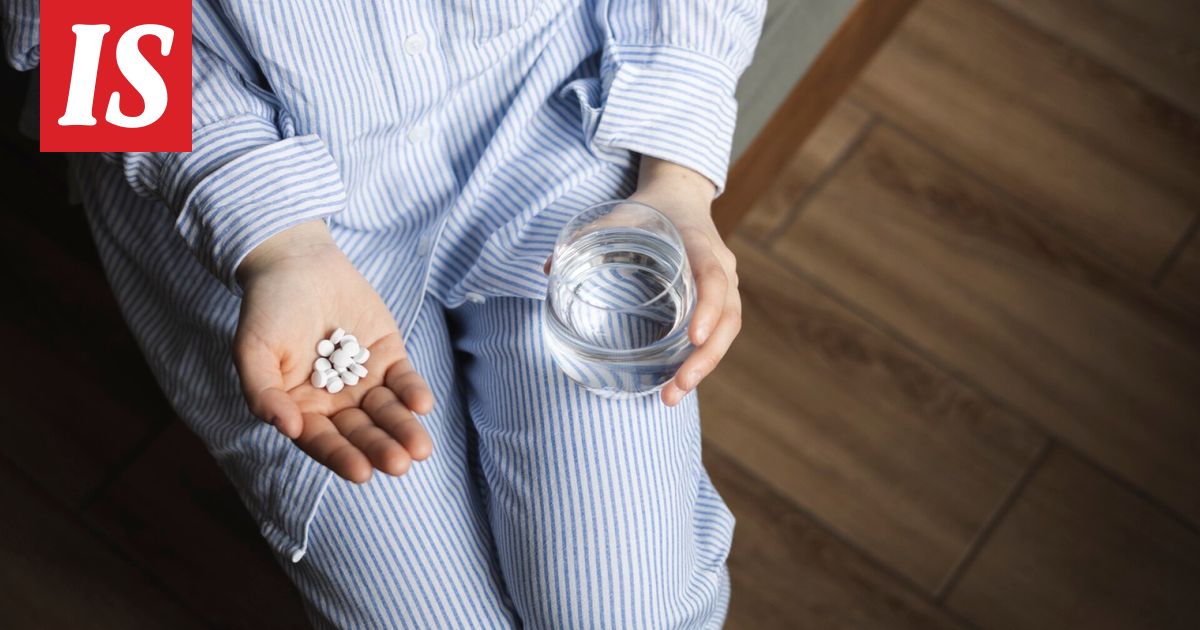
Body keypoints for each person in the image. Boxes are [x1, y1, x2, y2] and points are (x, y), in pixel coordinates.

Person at [4, 0, 765, 626]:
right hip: (229, 157)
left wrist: (676, 177)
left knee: (627, 613)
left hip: (552, 104)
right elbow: (70, 23)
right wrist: (271, 238)